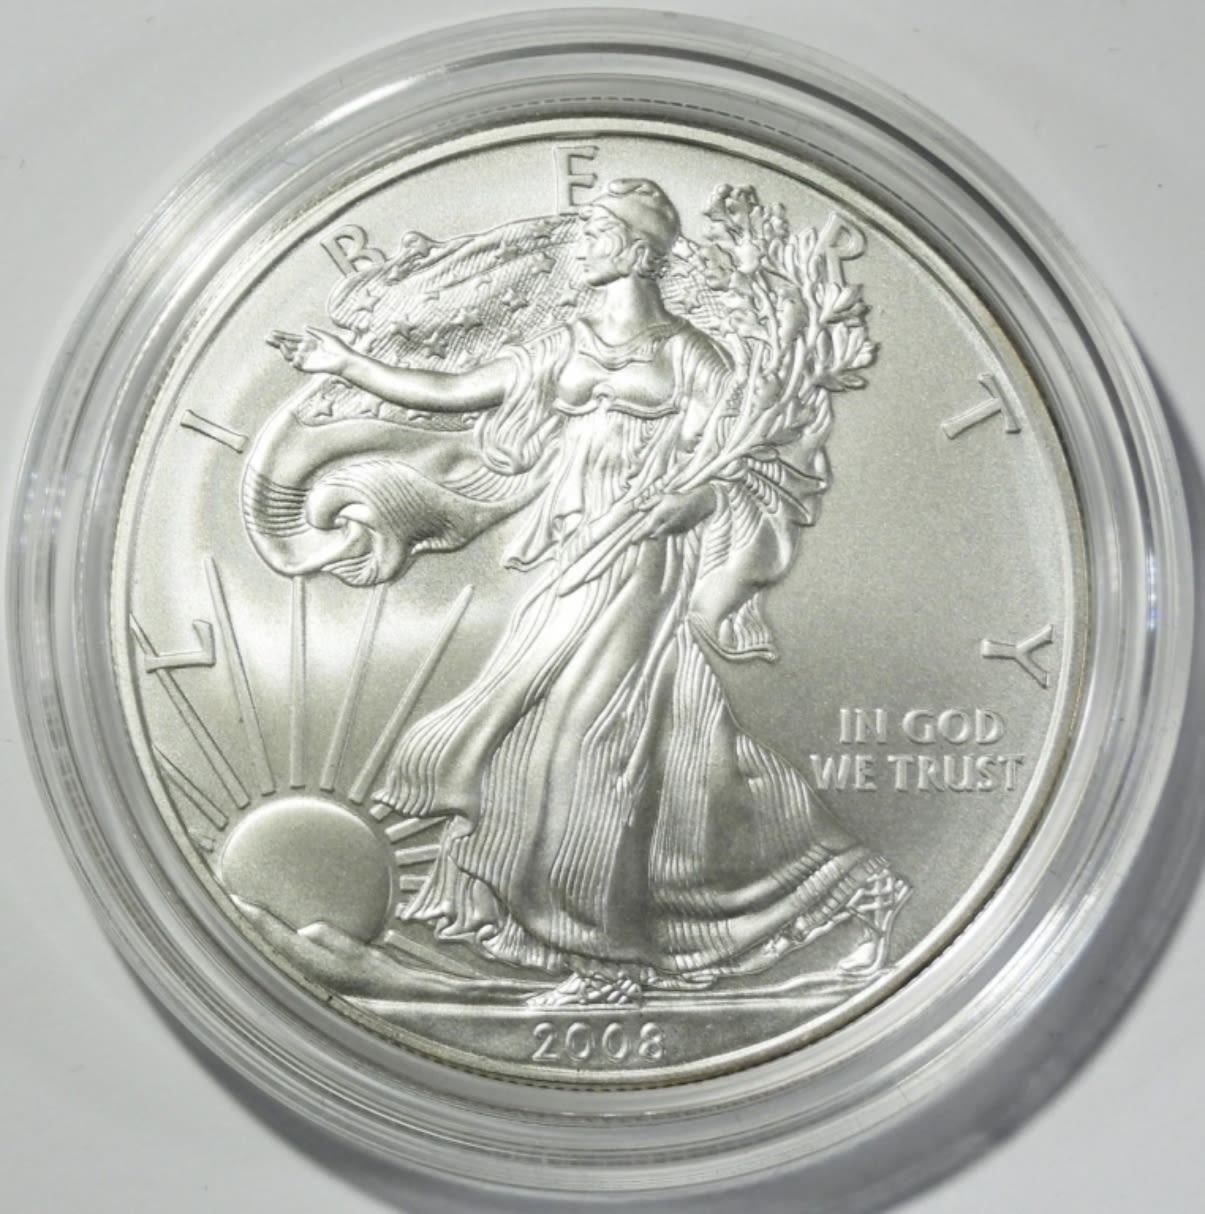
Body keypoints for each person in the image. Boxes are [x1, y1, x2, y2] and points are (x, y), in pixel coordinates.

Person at [277, 179, 908, 1003]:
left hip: (645, 562)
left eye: (593, 233)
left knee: (586, 742)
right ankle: (840, 885)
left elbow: (747, 470)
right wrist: (346, 363)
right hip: (572, 557)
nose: (577, 246)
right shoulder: (561, 345)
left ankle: (604, 958)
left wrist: (693, 500)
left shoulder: (691, 356)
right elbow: (454, 392)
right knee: (640, 740)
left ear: (637, 250)